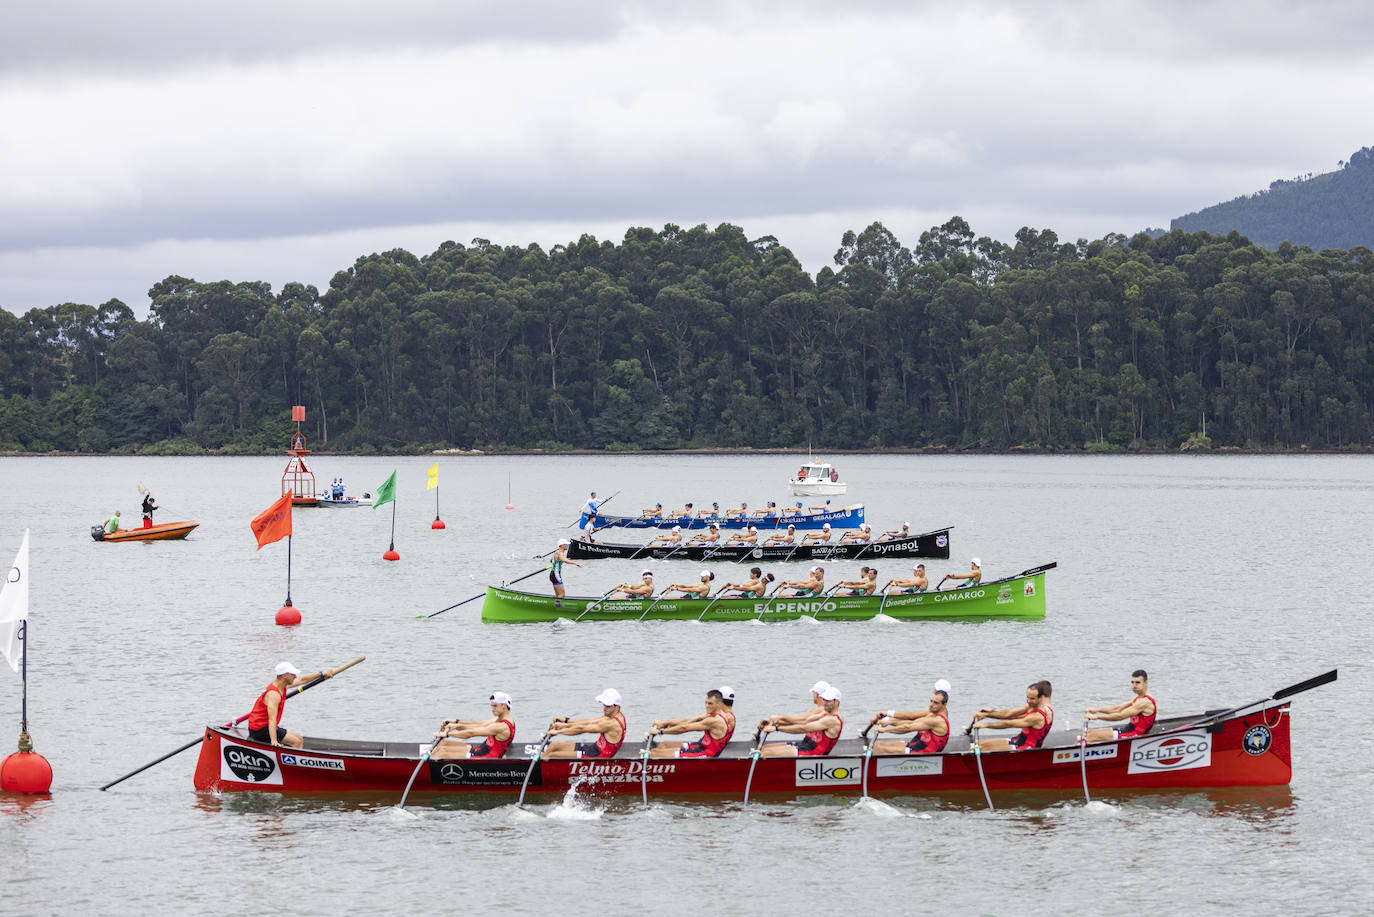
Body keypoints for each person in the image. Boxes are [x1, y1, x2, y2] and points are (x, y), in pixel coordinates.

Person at [246, 661, 337, 747]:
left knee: (299, 738)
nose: (295, 676)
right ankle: (291, 762)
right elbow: (272, 720)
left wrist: (321, 674)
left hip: (264, 726)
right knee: (296, 742)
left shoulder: (283, 685)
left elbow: (302, 680)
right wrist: (273, 741)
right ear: (284, 675)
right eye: (293, 674)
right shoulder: (273, 695)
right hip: (259, 730)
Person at [649, 687, 737, 758]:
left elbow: (685, 728)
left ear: (719, 702)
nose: (706, 706)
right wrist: (664, 724)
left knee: (654, 754)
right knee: (662, 745)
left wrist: (660, 732)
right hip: (701, 746)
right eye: (706, 703)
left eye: (710, 703)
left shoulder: (720, 719)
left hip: (707, 754)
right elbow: (688, 721)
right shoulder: (715, 714)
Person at [870, 681, 952, 754]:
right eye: (931, 701)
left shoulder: (937, 720)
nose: (931, 705)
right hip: (918, 745)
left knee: (878, 749)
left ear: (944, 704)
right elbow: (912, 722)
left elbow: (908, 726)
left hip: (923, 753)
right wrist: (889, 721)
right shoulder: (933, 713)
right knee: (877, 744)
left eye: (935, 703)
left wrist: (885, 730)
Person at [760, 685, 843, 757]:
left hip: (814, 753)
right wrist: (778, 722)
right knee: (765, 748)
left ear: (837, 702)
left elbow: (804, 728)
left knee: (767, 753)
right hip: (807, 745)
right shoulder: (825, 713)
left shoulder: (832, 720)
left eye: (828, 700)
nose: (825, 702)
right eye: (824, 699)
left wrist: (777, 728)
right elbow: (805, 721)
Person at [971, 680, 1054, 752]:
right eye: (1027, 697)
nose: (1028, 701)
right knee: (978, 743)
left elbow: (1010, 724)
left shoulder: (1037, 716)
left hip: (1027, 748)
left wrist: (984, 725)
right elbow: (1009, 714)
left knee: (981, 748)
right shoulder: (1030, 706)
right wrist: (987, 714)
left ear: (1040, 698)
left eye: (1032, 699)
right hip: (1018, 740)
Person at [544, 689, 627, 759]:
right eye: (604, 705)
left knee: (550, 756)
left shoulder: (612, 724)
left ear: (617, 707)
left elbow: (582, 729)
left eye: (608, 706)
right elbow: (588, 722)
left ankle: (539, 768)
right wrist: (565, 722)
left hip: (597, 757)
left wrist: (557, 732)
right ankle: (540, 763)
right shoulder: (612, 715)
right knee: (553, 746)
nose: (604, 708)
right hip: (593, 748)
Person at [433, 692, 516, 759]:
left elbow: (471, 733)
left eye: (495, 706)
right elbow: (479, 724)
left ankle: (425, 768)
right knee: (443, 743)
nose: (492, 709)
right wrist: (456, 723)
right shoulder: (499, 719)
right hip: (481, 750)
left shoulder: (502, 726)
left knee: (442, 753)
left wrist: (448, 734)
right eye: (491, 706)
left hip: (486, 758)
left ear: (504, 706)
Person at [1085, 670, 1157, 741]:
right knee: (1089, 733)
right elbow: (1117, 709)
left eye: (1137, 682)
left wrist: (1097, 716)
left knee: (1091, 737)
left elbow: (1121, 716)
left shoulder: (1145, 702)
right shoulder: (1138, 698)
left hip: (1136, 735)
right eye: (1132, 682)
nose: (1134, 686)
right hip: (1128, 729)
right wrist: (1097, 710)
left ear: (1146, 683)